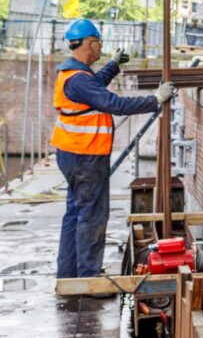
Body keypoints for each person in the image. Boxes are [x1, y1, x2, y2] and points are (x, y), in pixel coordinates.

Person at [52, 18, 172, 279]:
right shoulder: (78, 79)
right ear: (90, 44)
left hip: (73, 153)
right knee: (93, 215)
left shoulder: (74, 74)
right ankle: (88, 277)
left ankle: (69, 273)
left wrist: (113, 65)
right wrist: (155, 99)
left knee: (76, 213)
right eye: (98, 44)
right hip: (84, 156)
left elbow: (95, 86)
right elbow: (113, 103)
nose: (99, 49)